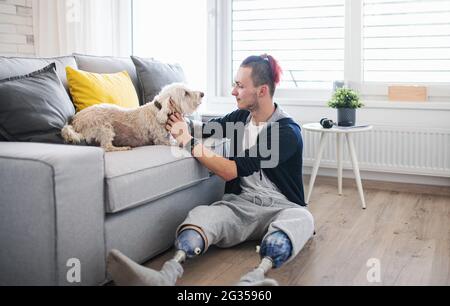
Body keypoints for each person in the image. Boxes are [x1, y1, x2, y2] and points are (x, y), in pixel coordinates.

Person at [106, 54, 315, 286]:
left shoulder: (286, 132)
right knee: (201, 215)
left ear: (262, 91)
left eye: (240, 86)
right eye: (235, 84)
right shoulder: (242, 117)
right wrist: (178, 121)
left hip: (282, 207)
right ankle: (165, 275)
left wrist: (186, 141)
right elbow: (206, 128)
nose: (234, 91)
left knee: (301, 218)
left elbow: (230, 170)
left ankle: (254, 278)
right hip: (241, 205)